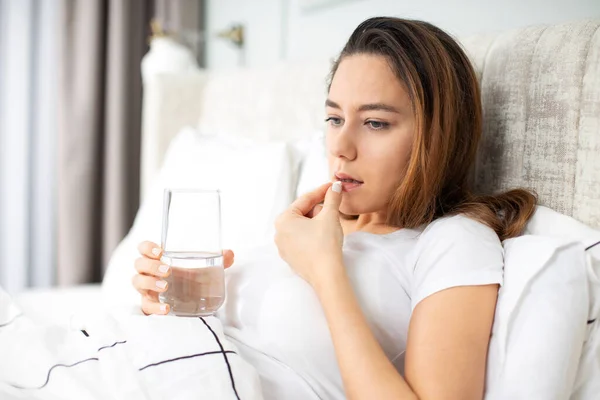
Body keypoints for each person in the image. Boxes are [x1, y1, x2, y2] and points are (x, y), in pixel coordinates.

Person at [132, 17, 536, 400]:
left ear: (438, 137)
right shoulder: (315, 225)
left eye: (375, 123)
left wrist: (325, 271)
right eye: (334, 117)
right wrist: (169, 306)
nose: (340, 146)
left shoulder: (454, 240)